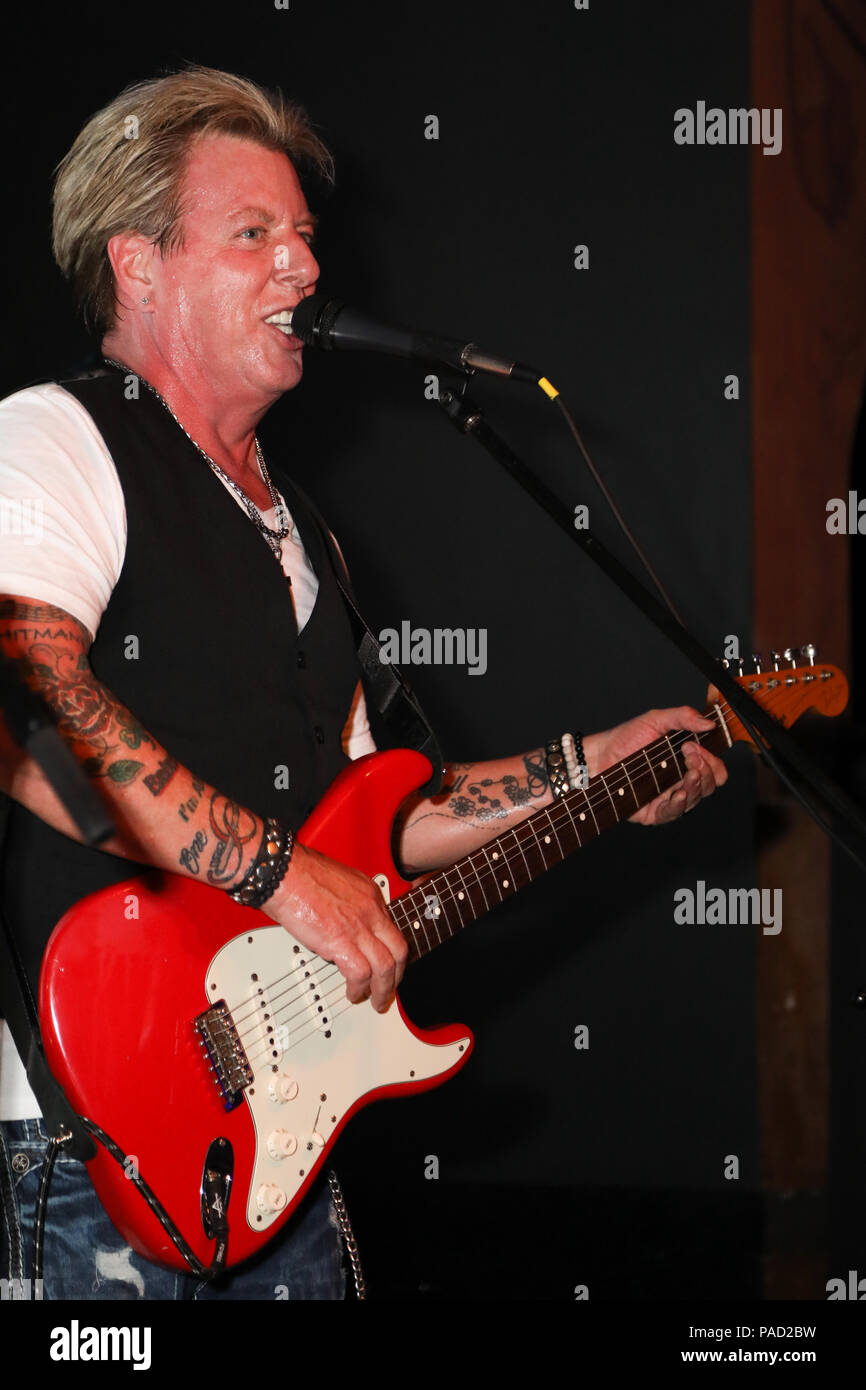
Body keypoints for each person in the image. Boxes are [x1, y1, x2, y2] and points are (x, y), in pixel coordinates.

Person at [0, 65, 727, 1301]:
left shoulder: (305, 539)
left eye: (304, 235)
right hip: (92, 1132)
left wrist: (589, 769)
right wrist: (283, 877)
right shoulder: (56, 439)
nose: (302, 266)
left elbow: (377, 816)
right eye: (253, 234)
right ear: (138, 265)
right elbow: (26, 716)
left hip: (273, 1129)